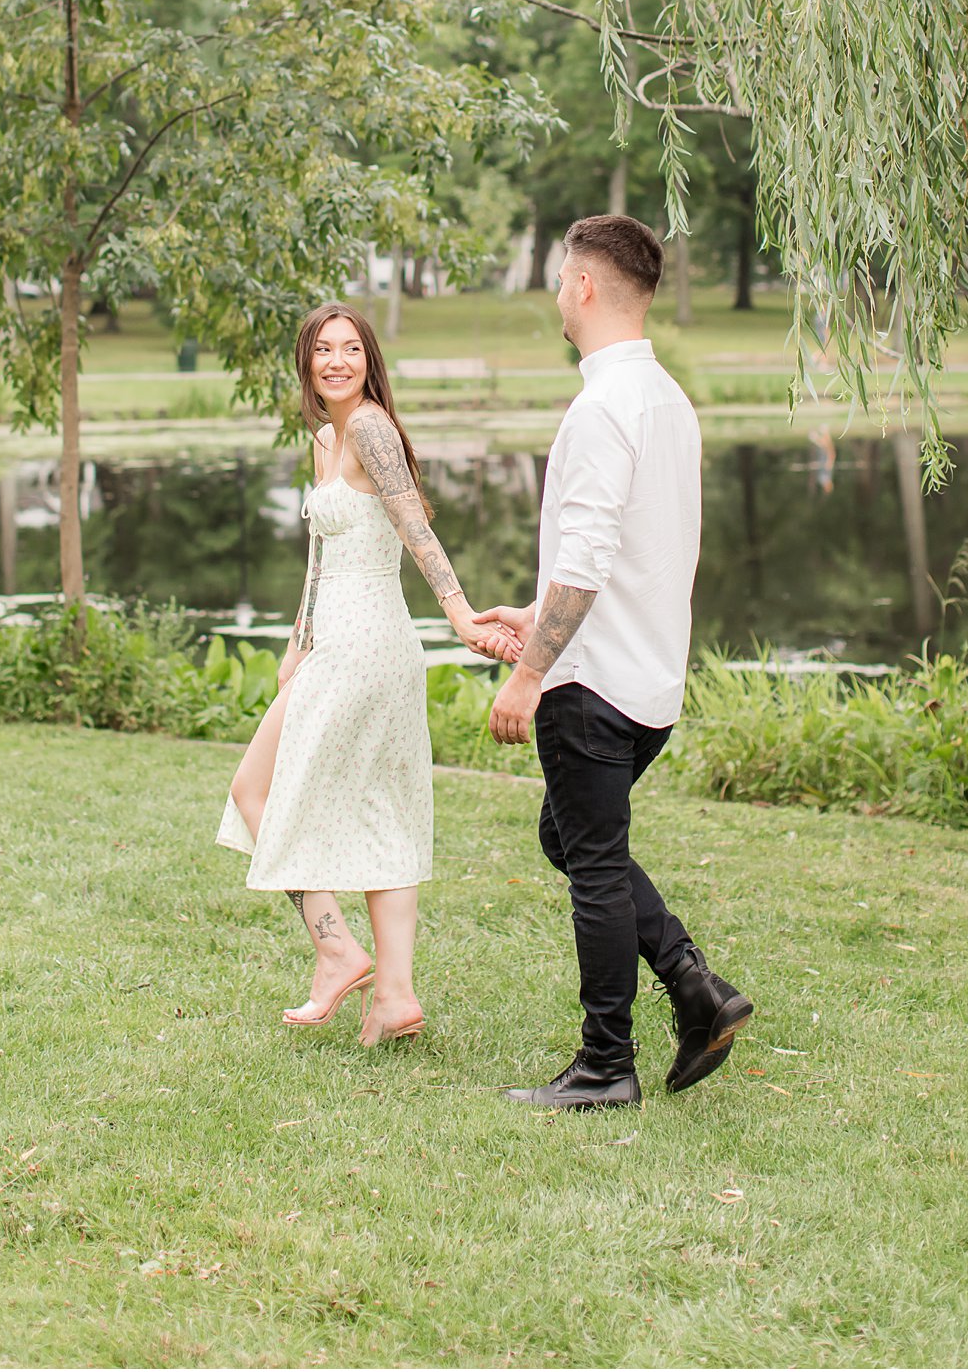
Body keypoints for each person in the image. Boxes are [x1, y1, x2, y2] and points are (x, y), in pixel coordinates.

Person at [481, 214, 753, 1108]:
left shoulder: (602, 406)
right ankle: (692, 983)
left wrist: (530, 672)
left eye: (563, 278)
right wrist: (535, 613)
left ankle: (606, 1065)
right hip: (647, 677)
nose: (558, 293)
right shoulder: (667, 398)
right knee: (567, 837)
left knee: (592, 862)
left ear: (586, 287)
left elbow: (593, 556)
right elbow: (643, 547)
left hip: (590, 685)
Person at [216, 302, 517, 1046]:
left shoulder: (372, 428)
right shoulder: (327, 437)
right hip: (338, 643)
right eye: (325, 350)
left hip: (366, 644)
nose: (338, 361)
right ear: (307, 362)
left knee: (256, 788)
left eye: (352, 348)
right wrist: (296, 638)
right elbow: (319, 556)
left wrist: (460, 612)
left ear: (369, 357)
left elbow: (415, 524)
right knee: (376, 807)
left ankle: (337, 949)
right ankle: (394, 994)